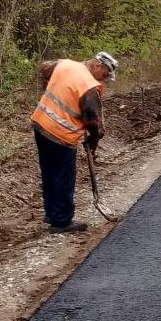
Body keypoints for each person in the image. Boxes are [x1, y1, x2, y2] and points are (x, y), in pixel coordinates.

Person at [31, 52, 117, 233]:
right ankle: (61, 220)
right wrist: (92, 143)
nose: (105, 79)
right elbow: (93, 122)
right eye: (106, 74)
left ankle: (51, 212)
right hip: (61, 133)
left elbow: (44, 68)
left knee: (49, 171)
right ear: (98, 66)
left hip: (40, 123)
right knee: (64, 176)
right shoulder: (89, 87)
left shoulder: (66, 64)